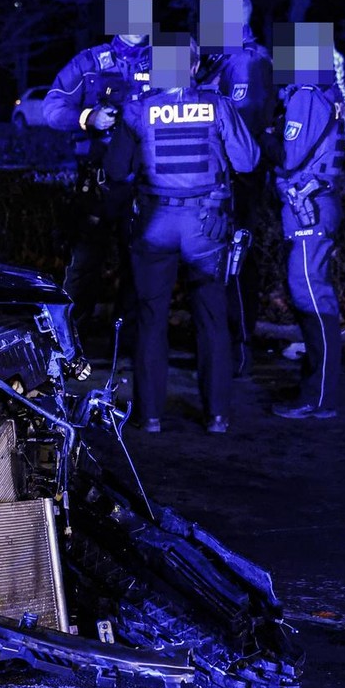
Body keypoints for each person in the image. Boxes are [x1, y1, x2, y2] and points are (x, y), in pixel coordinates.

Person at [111, 34, 258, 435]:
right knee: (212, 318)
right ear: (193, 66)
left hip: (155, 225)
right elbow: (247, 161)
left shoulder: (137, 109)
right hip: (206, 227)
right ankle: (217, 416)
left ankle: (150, 417)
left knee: (151, 318)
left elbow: (116, 171)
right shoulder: (217, 105)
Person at [41, 0, 154, 323]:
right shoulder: (89, 61)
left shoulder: (166, 57)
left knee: (140, 266)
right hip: (98, 183)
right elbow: (52, 107)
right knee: (85, 265)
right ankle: (71, 337)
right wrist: (88, 118)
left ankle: (130, 339)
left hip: (146, 181)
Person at [272, 30, 344, 420]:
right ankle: (317, 388)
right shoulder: (329, 94)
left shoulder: (305, 95)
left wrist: (264, 137)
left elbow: (290, 155)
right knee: (313, 294)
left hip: (308, 207)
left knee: (311, 296)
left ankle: (318, 396)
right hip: (319, 203)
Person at [206, 0, 276, 379]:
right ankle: (222, 342)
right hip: (220, 176)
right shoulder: (222, 58)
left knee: (236, 259)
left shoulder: (248, 61)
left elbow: (243, 126)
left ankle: (239, 348)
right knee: (220, 259)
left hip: (239, 177)